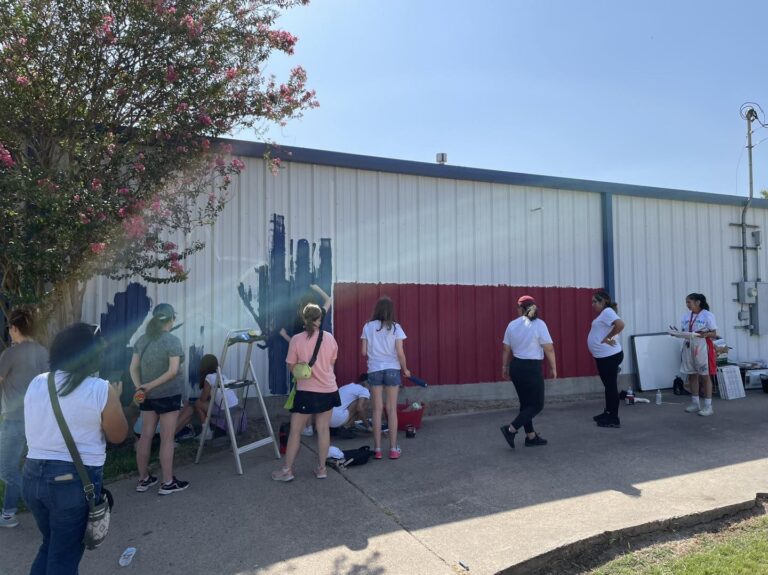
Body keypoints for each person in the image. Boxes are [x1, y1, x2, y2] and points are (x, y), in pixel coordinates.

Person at [23, 323, 127, 574]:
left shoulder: (37, 383)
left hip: (32, 477)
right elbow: (118, 435)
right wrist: (116, 396)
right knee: (65, 556)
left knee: (51, 545)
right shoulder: (100, 389)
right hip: (70, 483)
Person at [272, 303, 340, 481]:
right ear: (320, 319)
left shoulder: (296, 339)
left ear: (303, 318)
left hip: (306, 391)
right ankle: (322, 469)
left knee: (295, 431)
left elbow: (291, 367)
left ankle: (287, 470)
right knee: (323, 429)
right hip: (329, 389)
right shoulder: (330, 338)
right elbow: (332, 362)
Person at [130, 303, 189, 494]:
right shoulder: (172, 341)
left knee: (145, 436)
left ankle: (143, 479)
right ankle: (168, 482)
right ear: (172, 319)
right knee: (167, 438)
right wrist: (150, 386)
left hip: (147, 396)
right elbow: (173, 371)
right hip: (168, 395)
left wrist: (141, 387)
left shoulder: (142, 340)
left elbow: (133, 368)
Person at [0, 307, 48, 528]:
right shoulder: (42, 352)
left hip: (14, 419)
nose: (9, 331)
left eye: (10, 327)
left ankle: (21, 507)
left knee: (7, 469)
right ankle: (13, 511)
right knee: (34, 466)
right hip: (38, 419)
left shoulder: (10, 354)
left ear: (15, 328)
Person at [500, 295, 557, 449]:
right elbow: (549, 348)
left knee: (526, 404)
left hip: (516, 367)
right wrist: (553, 367)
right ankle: (511, 429)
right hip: (531, 368)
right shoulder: (539, 324)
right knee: (537, 405)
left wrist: (504, 367)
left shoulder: (512, 325)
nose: (516, 310)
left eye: (517, 307)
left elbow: (506, 348)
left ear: (522, 308)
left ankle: (530, 437)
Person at [361, 296, 411, 460]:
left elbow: (363, 352)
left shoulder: (368, 326)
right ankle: (394, 449)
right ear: (391, 311)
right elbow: (400, 353)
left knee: (376, 410)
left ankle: (377, 449)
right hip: (392, 369)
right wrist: (405, 369)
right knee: (391, 409)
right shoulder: (396, 327)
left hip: (374, 369)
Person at [587, 291, 626, 428]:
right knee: (608, 387)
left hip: (609, 356)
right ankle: (608, 412)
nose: (592, 305)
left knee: (611, 387)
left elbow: (620, 324)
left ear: (602, 302)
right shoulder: (604, 314)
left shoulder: (607, 311)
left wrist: (608, 338)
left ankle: (613, 418)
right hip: (603, 356)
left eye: (594, 302)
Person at [678, 293, 717, 416]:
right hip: (688, 345)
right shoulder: (686, 316)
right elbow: (684, 331)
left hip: (702, 346)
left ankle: (708, 406)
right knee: (692, 374)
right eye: (686, 302)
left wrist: (705, 335)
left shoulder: (707, 315)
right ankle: (695, 403)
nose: (687, 305)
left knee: (704, 375)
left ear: (698, 302)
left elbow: (714, 333)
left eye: (689, 302)